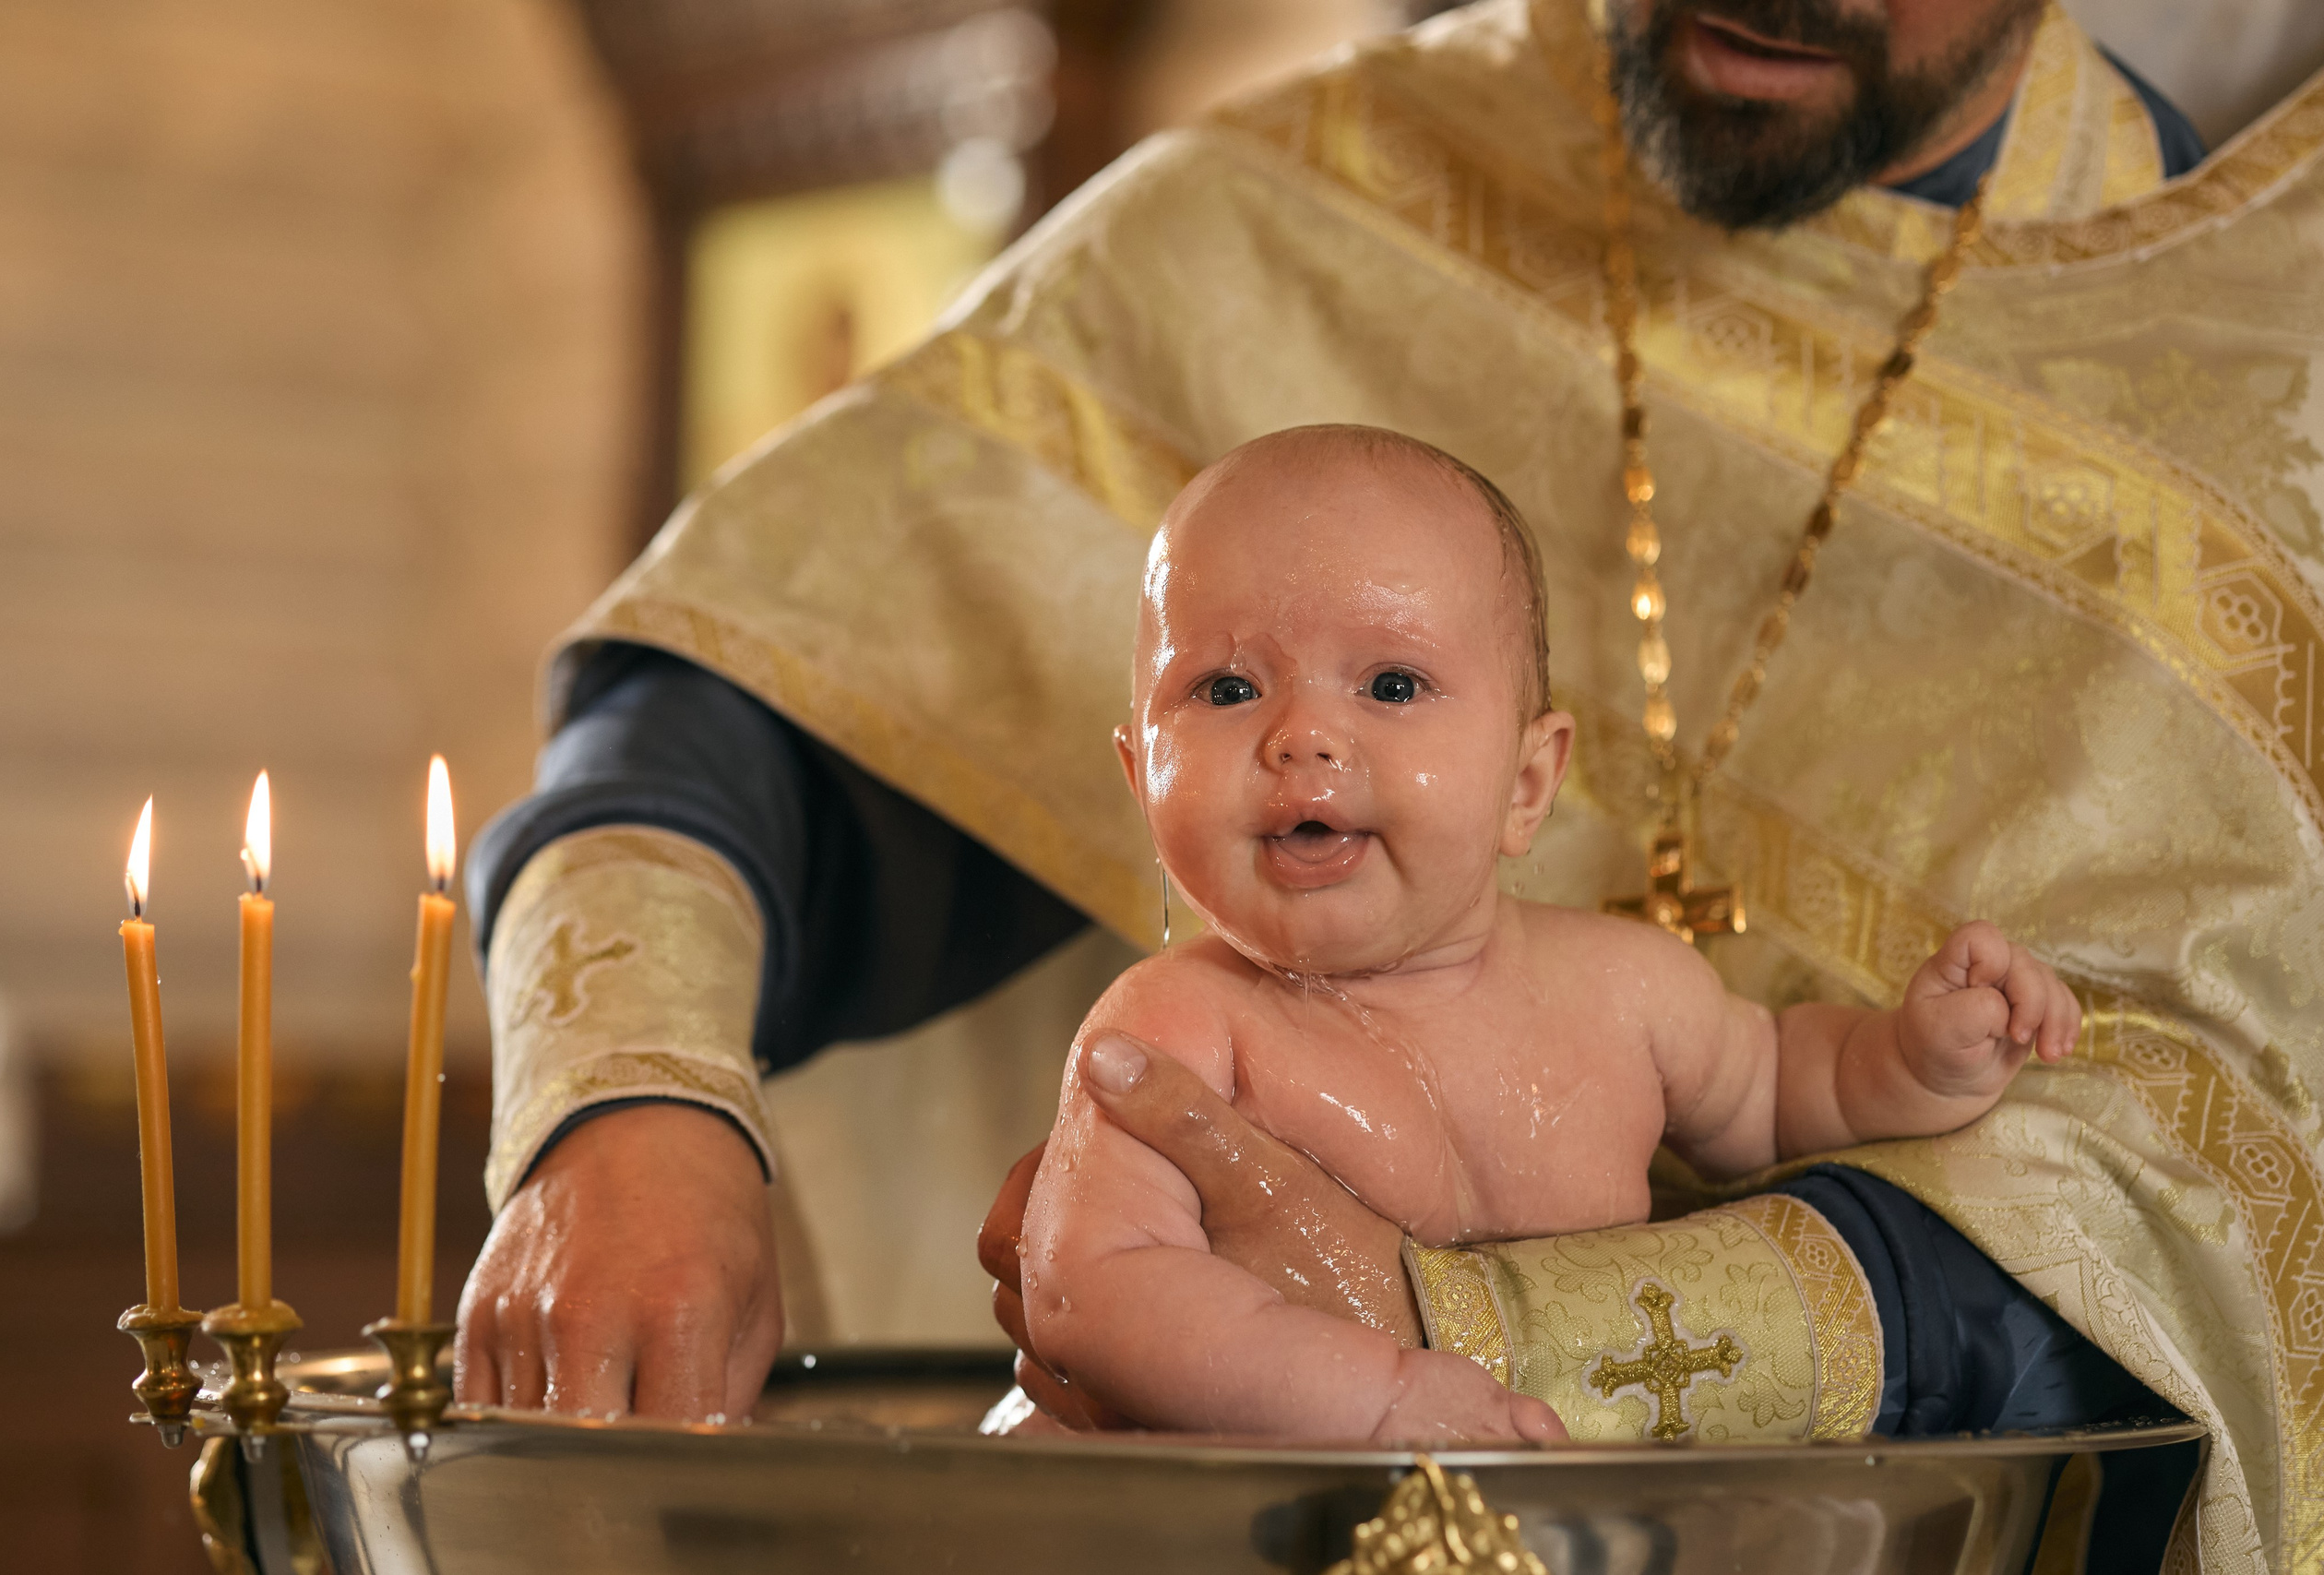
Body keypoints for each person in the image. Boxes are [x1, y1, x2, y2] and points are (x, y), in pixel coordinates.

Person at [455, 0, 2320, 1567]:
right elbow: (742, 707)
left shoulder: (2267, 376)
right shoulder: (1308, 216)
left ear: (1530, 774)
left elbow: (2184, 1216)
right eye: (1233, 690)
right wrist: (631, 1098)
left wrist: (1477, 1330)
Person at [1021, 424, 2078, 1441]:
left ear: (1527, 783)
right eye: (1227, 688)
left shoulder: (1629, 990)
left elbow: (1781, 1096)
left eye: (1391, 684)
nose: (1301, 737)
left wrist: (1916, 1062)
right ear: (1140, 779)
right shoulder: (1175, 1031)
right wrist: (1376, 1400)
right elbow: (1089, 1286)